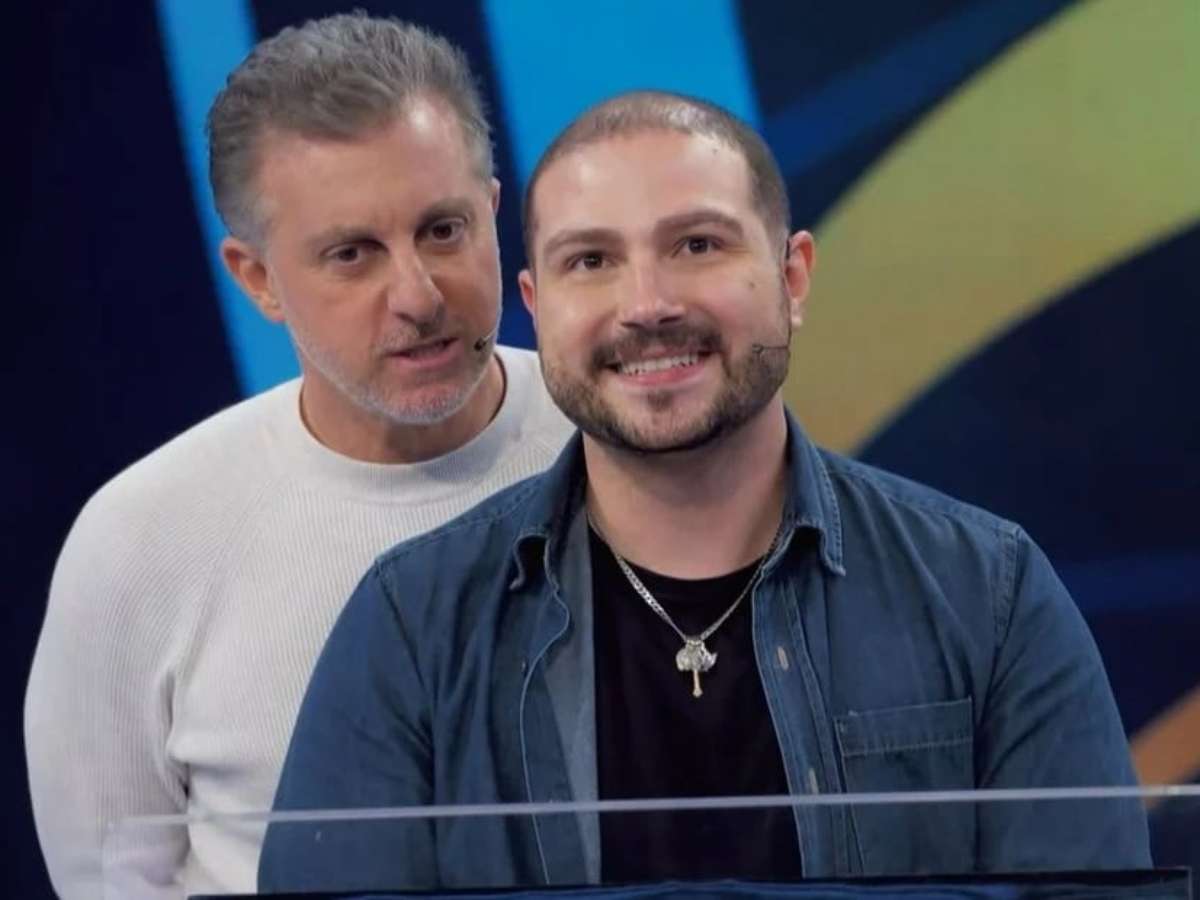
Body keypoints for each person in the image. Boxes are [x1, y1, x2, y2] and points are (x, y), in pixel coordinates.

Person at [258, 91, 1150, 892]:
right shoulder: (413, 626)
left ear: (793, 277)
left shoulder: (987, 594)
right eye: (591, 261)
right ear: (537, 304)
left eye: (697, 245)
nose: (647, 304)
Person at [23, 14, 573, 899]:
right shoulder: (139, 540)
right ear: (257, 278)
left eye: (444, 230)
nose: (417, 295)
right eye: (352, 254)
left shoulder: (625, 452)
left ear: (494, 212)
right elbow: (105, 876)